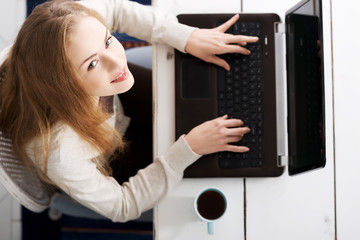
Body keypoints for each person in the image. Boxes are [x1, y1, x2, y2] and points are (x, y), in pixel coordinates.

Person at [0, 0, 257, 222]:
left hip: (115, 105)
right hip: (106, 156)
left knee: (213, 101)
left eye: (108, 41)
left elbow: (115, 7)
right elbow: (123, 205)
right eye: (92, 63)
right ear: (62, 87)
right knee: (207, 162)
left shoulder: (72, 26)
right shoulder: (61, 154)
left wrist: (186, 37)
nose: (119, 62)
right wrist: (189, 148)